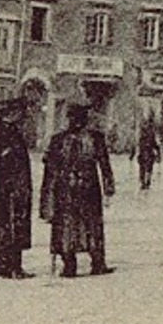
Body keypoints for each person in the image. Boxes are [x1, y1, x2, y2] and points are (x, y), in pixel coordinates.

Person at [39, 103, 115, 278]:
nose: (77, 122)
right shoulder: (60, 139)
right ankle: (74, 264)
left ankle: (93, 262)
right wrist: (48, 193)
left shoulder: (93, 138)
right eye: (75, 118)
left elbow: (104, 164)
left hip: (81, 189)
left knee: (87, 225)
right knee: (72, 226)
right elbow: (50, 168)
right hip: (71, 189)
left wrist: (109, 187)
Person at [0, 97, 36, 279]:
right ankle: (10, 267)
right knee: (9, 226)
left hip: (14, 187)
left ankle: (5, 266)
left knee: (7, 226)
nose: (24, 117)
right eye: (22, 113)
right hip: (8, 188)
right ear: (15, 113)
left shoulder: (8, 131)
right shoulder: (3, 132)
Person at [135, 116, 160, 191]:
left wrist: (159, 154)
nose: (144, 125)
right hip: (143, 154)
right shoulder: (141, 134)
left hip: (148, 154)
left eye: (145, 123)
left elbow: (155, 144)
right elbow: (136, 145)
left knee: (148, 169)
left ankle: (147, 182)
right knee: (143, 169)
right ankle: (144, 182)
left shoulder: (149, 134)